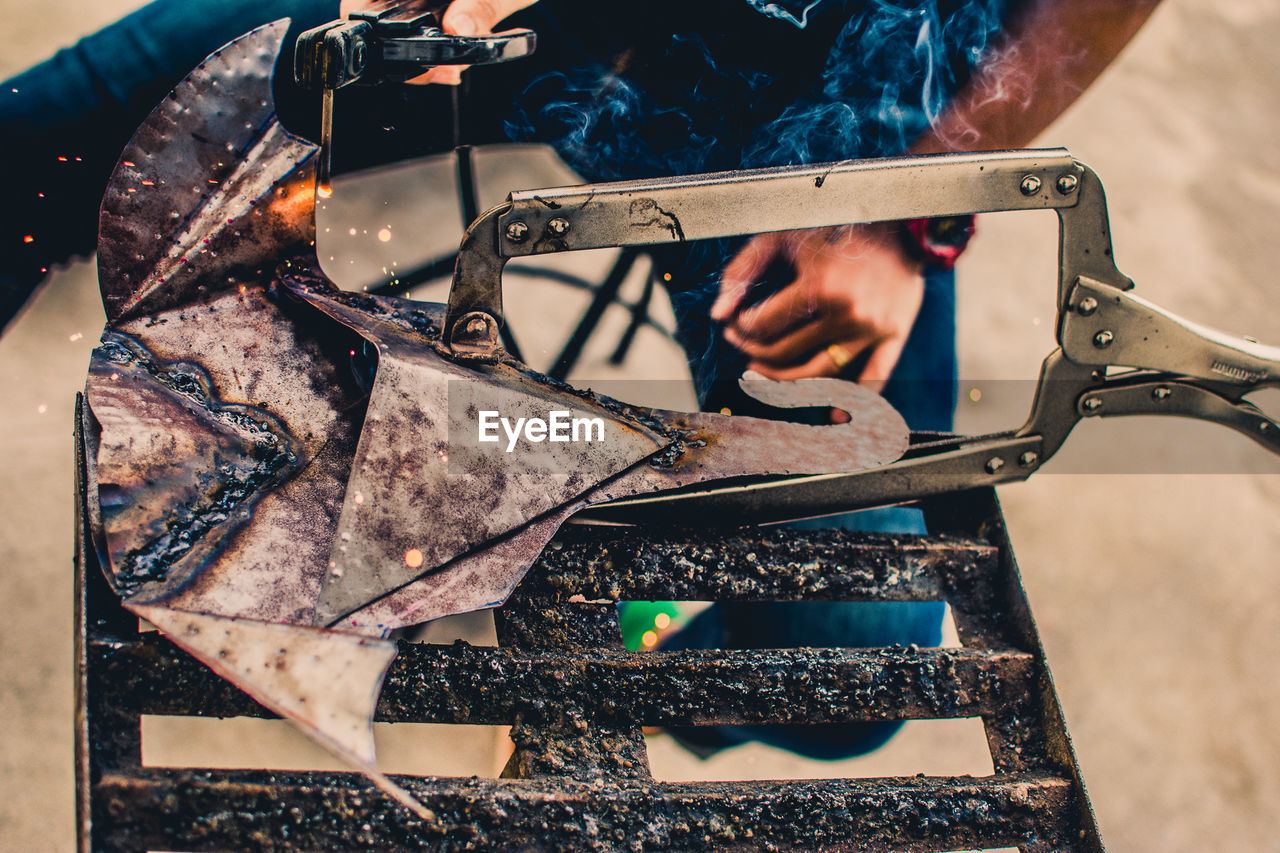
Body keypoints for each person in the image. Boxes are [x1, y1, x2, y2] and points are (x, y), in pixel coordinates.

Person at [1, 0, 1162, 758]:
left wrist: (915, 201)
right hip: (521, 26)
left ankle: (636, 637)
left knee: (857, 647)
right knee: (34, 137)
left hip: (824, 122)